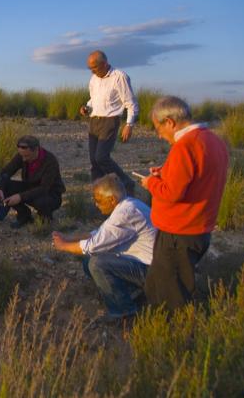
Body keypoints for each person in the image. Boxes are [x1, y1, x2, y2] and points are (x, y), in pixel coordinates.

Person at [140, 96, 228, 311]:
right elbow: (199, 176)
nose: (160, 135)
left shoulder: (185, 146)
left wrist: (151, 182)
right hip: (199, 228)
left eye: (158, 128)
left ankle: (175, 330)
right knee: (165, 284)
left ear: (170, 122)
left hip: (179, 233)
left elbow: (171, 193)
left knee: (171, 296)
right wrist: (165, 172)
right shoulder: (213, 140)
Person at [52, 174, 156, 320]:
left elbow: (92, 246)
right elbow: (98, 234)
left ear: (112, 199)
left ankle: (124, 312)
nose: (96, 204)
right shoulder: (128, 205)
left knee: (97, 263)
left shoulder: (125, 213)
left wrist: (63, 246)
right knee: (90, 260)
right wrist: (69, 238)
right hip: (144, 264)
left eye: (98, 200)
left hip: (150, 270)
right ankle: (127, 293)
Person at [80, 51, 138, 194]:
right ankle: (99, 193)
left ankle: (126, 183)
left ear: (104, 64)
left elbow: (131, 104)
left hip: (110, 121)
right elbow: (93, 99)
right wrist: (86, 107)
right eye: (90, 68)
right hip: (94, 120)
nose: (92, 71)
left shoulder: (119, 77)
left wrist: (129, 125)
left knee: (101, 157)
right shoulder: (94, 79)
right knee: (94, 161)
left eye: (94, 67)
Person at [0, 135, 65, 228]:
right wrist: (0, 189)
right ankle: (24, 216)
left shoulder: (50, 161)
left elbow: (44, 188)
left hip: (50, 194)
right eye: (22, 155)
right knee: (5, 186)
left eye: (27, 156)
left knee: (41, 202)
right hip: (31, 188)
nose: (23, 159)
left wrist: (20, 197)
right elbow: (5, 172)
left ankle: (45, 218)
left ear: (36, 150)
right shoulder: (22, 155)